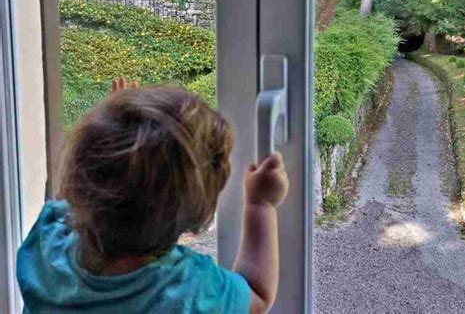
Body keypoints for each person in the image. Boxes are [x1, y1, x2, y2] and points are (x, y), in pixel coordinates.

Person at [17, 79, 289, 313]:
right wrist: (260, 204)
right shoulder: (186, 292)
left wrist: (112, 142)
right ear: (192, 214)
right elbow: (257, 293)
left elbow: (76, 190)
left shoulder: (48, 242)